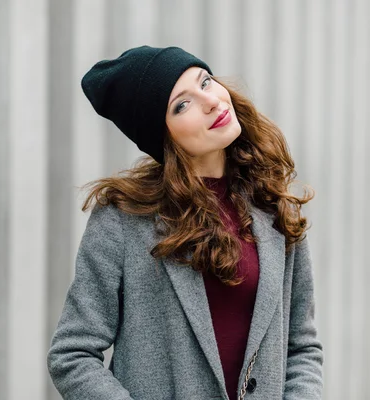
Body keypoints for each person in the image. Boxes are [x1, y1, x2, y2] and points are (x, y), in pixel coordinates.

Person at [47, 45, 323, 400]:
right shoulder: (123, 221)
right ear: (163, 135)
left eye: (205, 82)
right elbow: (72, 355)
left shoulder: (272, 207)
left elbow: (301, 346)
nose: (210, 101)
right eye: (182, 104)